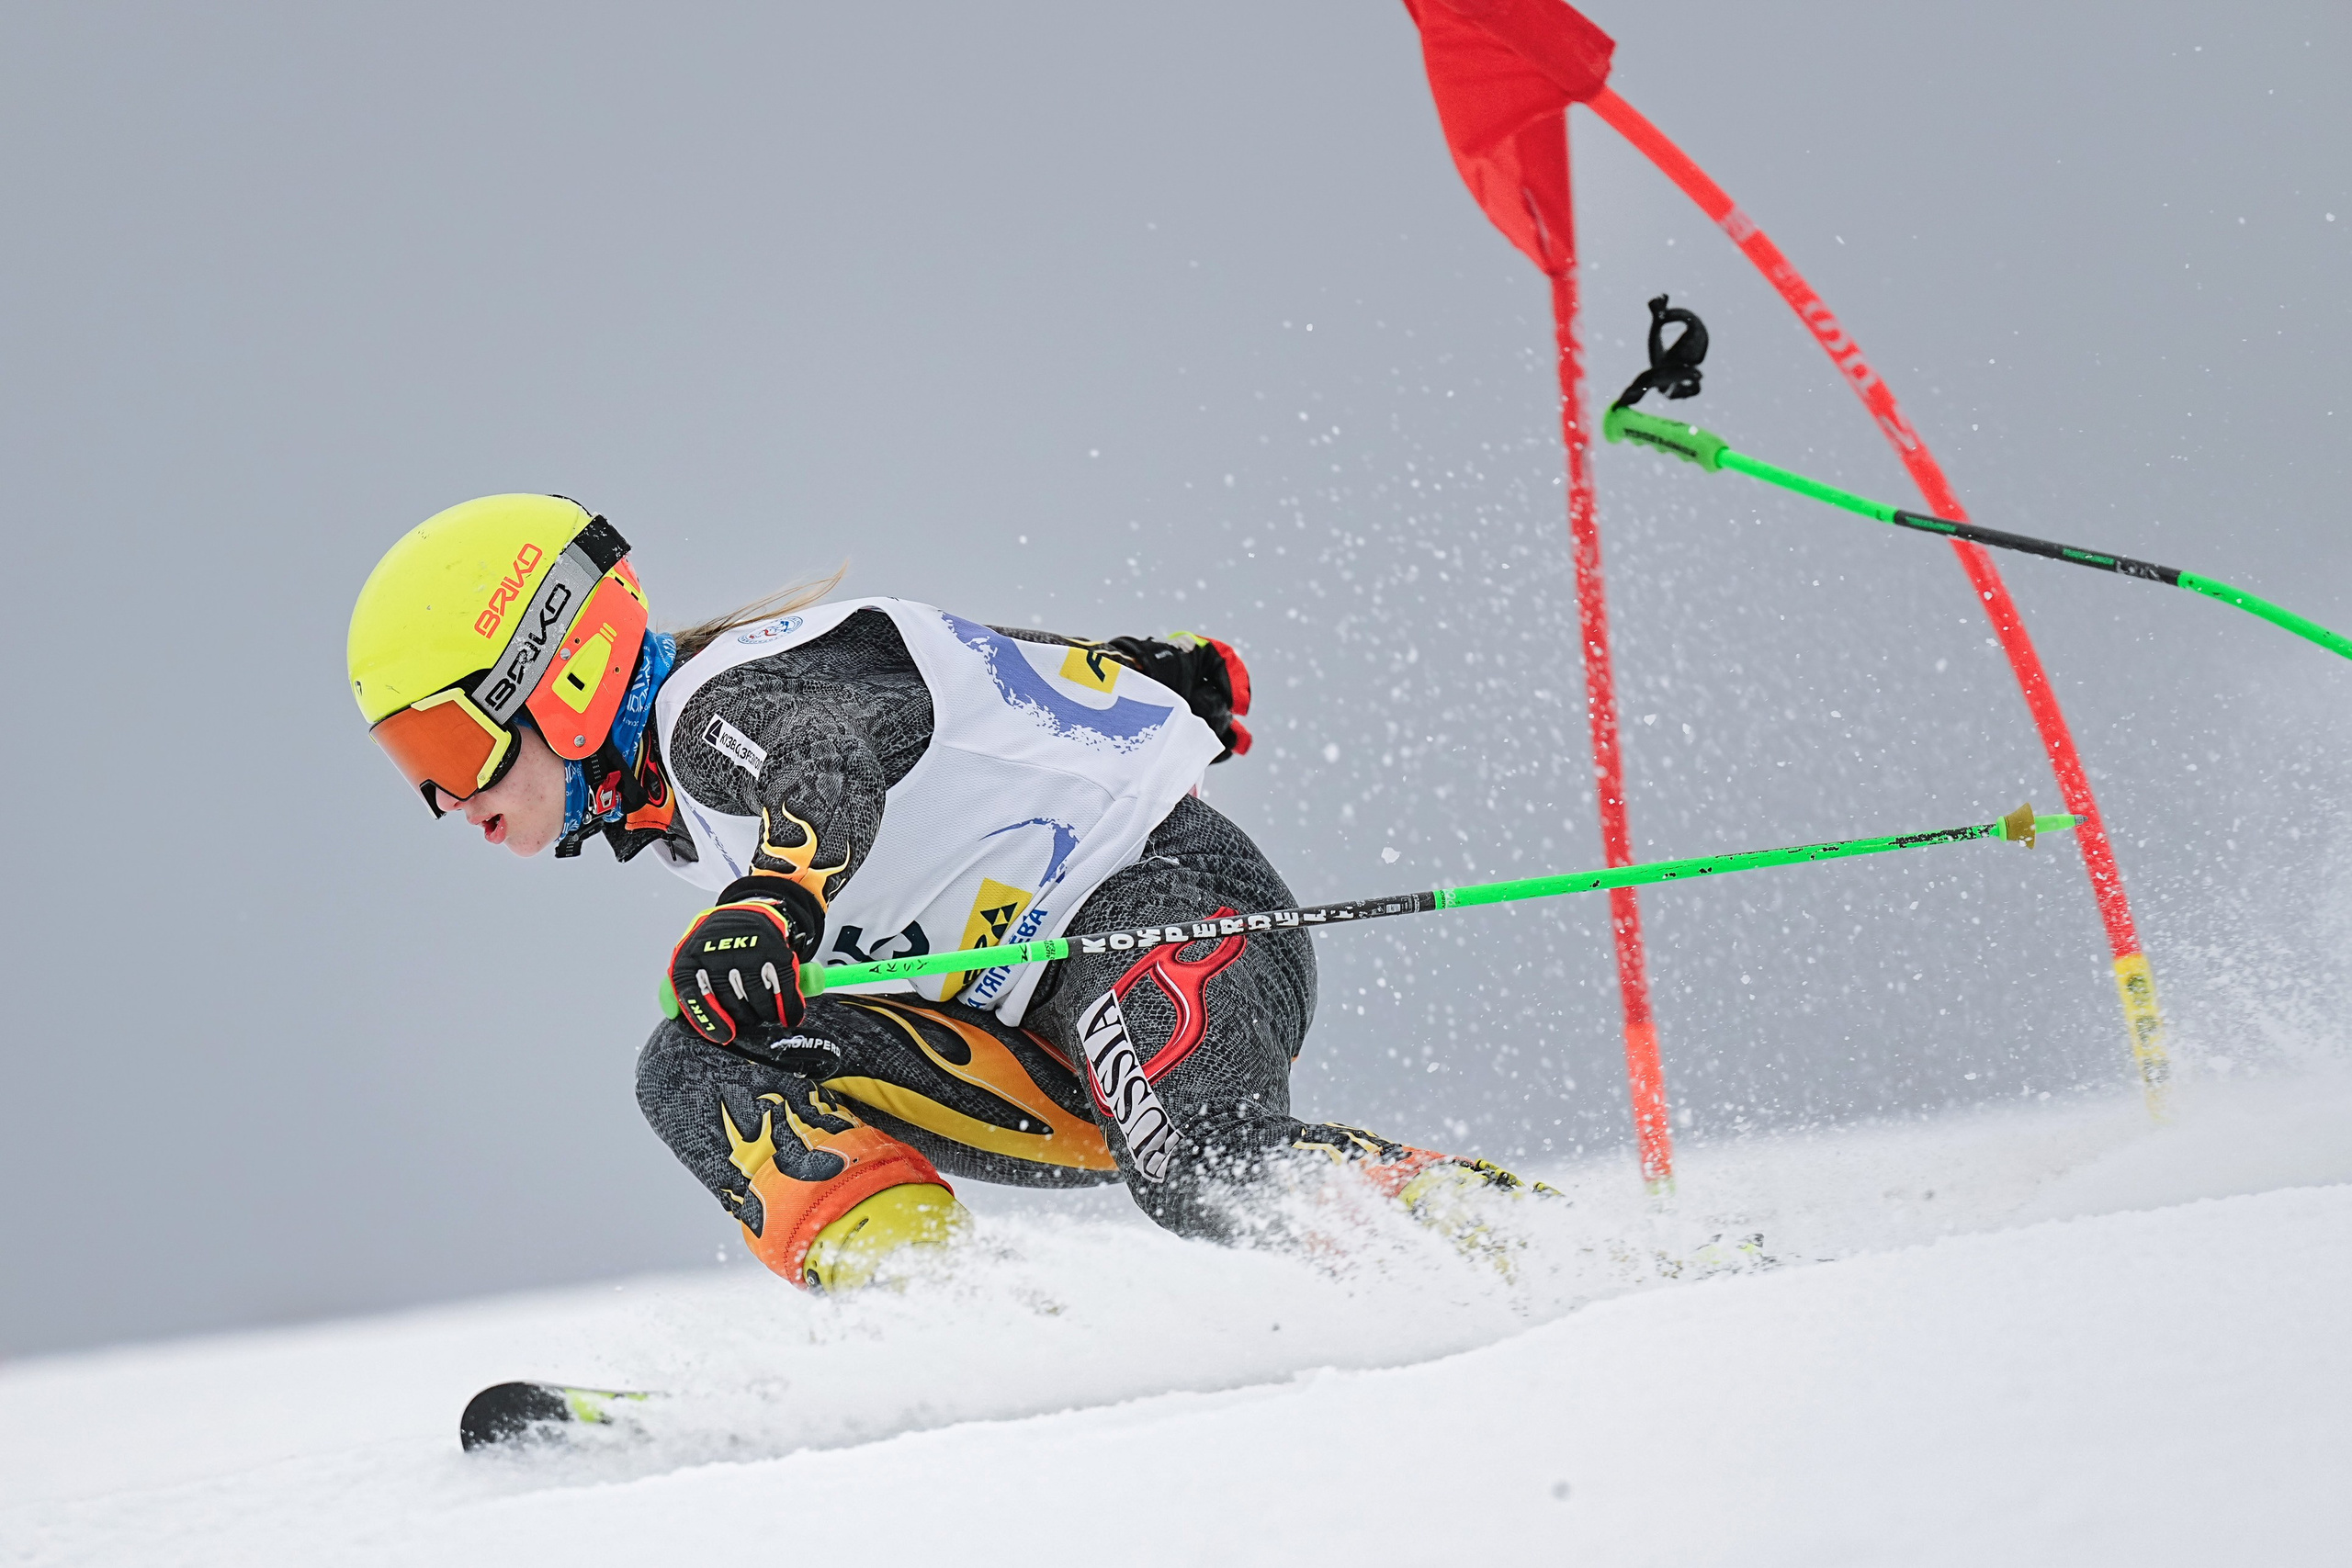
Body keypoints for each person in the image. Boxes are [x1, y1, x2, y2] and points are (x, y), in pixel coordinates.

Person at [348, 494, 1549, 1293]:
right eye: (415, 778)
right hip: (1030, 1043)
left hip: (1169, 916)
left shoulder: (715, 711)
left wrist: (777, 898)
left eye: (450, 752)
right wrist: (1130, 673)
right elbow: (944, 666)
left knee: (1198, 1163)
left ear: (560, 672)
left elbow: (832, 747)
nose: (452, 804)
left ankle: (1543, 1257)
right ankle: (930, 1321)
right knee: (693, 1062)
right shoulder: (692, 786)